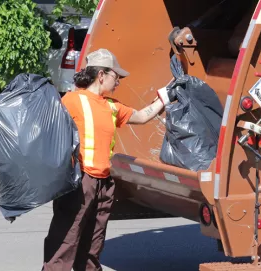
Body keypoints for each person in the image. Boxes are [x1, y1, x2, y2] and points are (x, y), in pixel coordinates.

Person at [42, 48, 178, 271]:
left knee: (92, 248)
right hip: (80, 182)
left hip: (104, 185)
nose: (118, 83)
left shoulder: (112, 106)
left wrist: (165, 96)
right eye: (116, 77)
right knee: (65, 243)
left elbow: (143, 116)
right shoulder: (72, 100)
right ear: (101, 75)